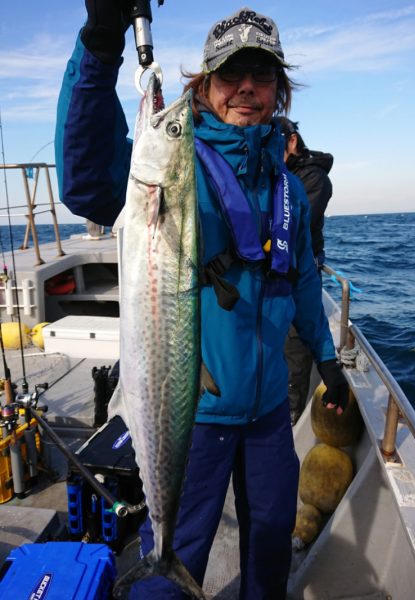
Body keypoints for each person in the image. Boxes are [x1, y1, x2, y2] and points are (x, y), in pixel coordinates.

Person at [55, 4, 349, 599]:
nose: (246, 87)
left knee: (269, 541)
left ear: (278, 90)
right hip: (189, 414)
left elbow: (301, 281)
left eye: (260, 75)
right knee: (176, 546)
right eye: (229, 74)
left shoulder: (288, 185)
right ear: (205, 86)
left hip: (269, 412)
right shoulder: (173, 164)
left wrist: (326, 358)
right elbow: (86, 179)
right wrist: (100, 44)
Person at [275, 117, 334, 425]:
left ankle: (291, 418)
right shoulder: (276, 174)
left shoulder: (314, 180)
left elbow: (297, 226)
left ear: (292, 142)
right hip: (272, 275)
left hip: (301, 272)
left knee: (295, 346)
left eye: (275, 142)